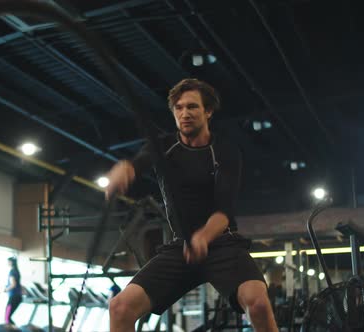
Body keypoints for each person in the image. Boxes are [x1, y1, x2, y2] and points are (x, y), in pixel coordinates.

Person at [105, 78, 278, 331]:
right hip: (180, 247)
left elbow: (224, 211)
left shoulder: (225, 151)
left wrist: (203, 237)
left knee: (259, 304)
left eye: (192, 107)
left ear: (208, 111)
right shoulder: (163, 146)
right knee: (120, 307)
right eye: (178, 107)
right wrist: (125, 169)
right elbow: (138, 163)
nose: (184, 113)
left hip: (222, 244)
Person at [4, 257, 22, 325]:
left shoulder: (12, 271)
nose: (7, 263)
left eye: (8, 262)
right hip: (16, 296)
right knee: (8, 317)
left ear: (11, 262)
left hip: (14, 297)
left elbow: (13, 284)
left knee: (7, 318)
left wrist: (5, 289)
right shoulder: (16, 271)